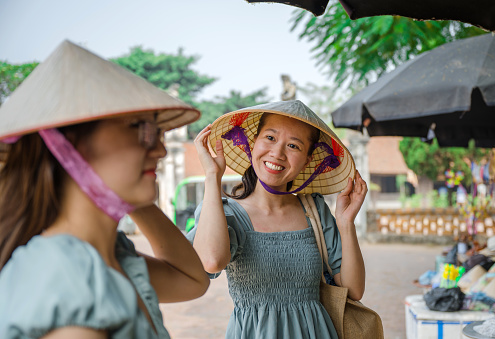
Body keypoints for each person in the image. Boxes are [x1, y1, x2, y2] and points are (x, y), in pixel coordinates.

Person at [0, 40, 209, 338]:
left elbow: (192, 280)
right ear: (68, 144)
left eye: (158, 132)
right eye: (142, 129)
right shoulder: (67, 276)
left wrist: (126, 186)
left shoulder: (108, 254)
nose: (161, 150)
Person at [188, 100, 366, 338]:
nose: (277, 153)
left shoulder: (314, 210)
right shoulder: (225, 213)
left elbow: (353, 290)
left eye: (293, 145)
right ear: (253, 143)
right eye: (270, 138)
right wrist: (212, 176)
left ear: (308, 159)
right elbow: (210, 262)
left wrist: (346, 223)